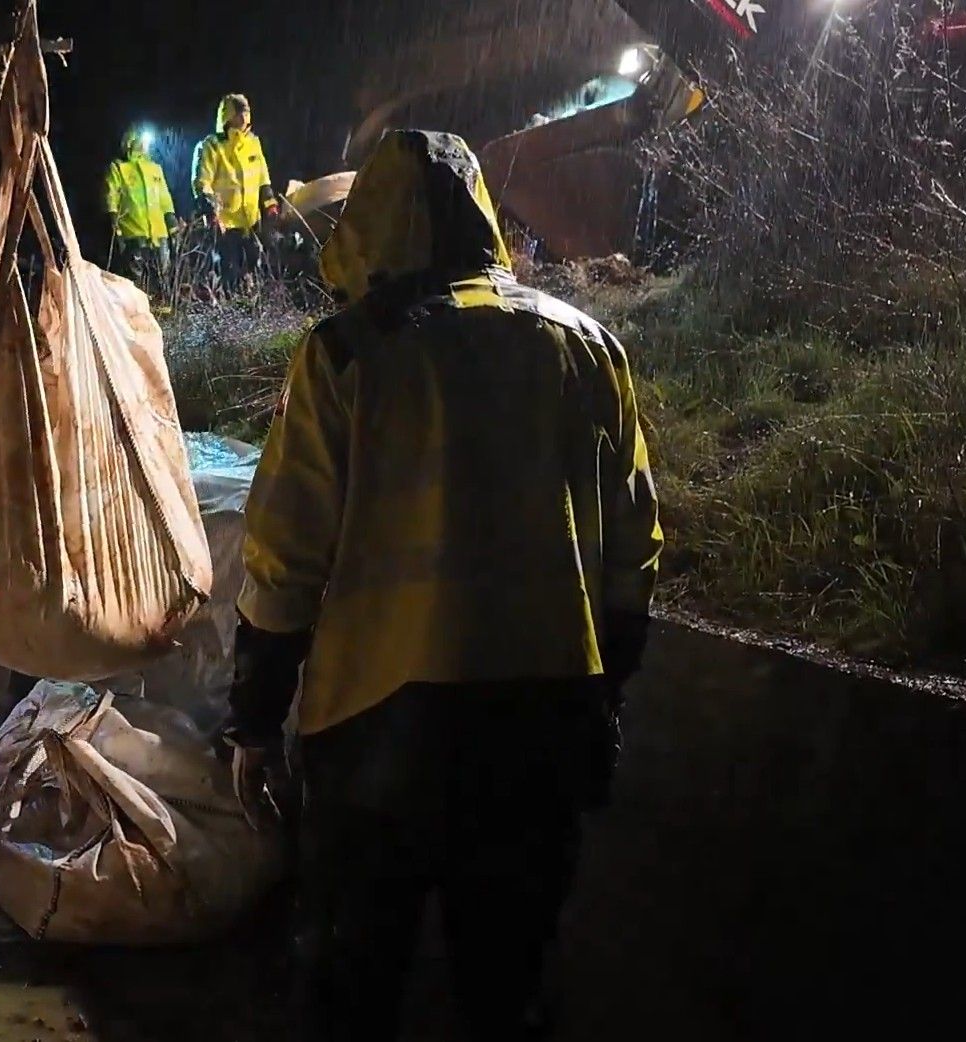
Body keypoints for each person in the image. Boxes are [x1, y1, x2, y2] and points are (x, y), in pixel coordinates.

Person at [219, 130, 662, 1041]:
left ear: (374, 226)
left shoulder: (348, 355)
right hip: (547, 729)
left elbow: (283, 560)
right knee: (507, 987)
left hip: (384, 738)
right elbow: (633, 553)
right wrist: (604, 692)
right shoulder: (590, 349)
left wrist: (256, 720)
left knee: (354, 986)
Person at [191, 93, 279, 293]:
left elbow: (263, 179)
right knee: (229, 270)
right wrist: (211, 212)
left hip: (250, 222)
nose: (244, 117)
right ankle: (230, 313)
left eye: (246, 112)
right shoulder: (211, 146)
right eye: (239, 112)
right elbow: (202, 182)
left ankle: (248, 308)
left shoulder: (253, 143)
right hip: (225, 224)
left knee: (254, 267)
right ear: (227, 116)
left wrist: (270, 204)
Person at [104, 126, 177, 296]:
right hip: (133, 230)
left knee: (162, 271)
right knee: (135, 276)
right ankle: (136, 310)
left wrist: (170, 218)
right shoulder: (119, 167)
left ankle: (162, 308)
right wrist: (113, 217)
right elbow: (111, 194)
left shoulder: (155, 168)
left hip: (158, 232)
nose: (144, 144)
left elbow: (164, 197)